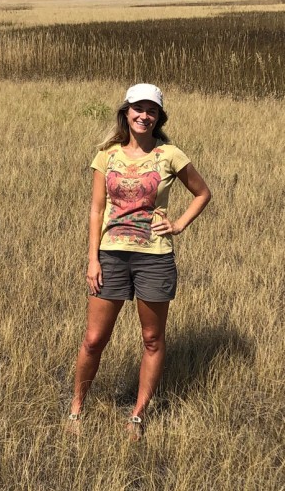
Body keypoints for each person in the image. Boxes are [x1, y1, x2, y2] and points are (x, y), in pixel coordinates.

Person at [68, 83, 211, 440]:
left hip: (154, 258)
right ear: (126, 112)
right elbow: (97, 209)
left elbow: (202, 193)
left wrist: (177, 224)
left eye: (151, 110)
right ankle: (76, 409)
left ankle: (137, 416)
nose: (144, 115)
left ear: (159, 116)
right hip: (111, 255)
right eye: (138, 108)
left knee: (152, 339)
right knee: (93, 339)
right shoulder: (107, 154)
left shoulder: (170, 154)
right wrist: (92, 259)